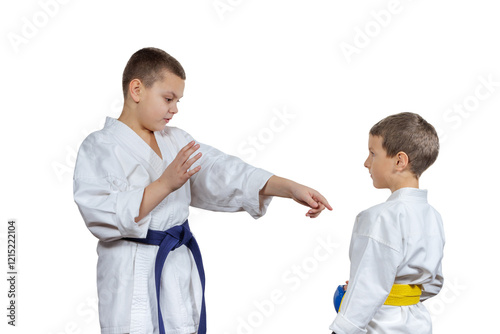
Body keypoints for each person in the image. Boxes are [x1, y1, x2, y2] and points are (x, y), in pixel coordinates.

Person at [73, 47, 332, 334]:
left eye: (178, 100)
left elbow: (224, 172)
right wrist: (165, 183)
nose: (175, 109)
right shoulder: (100, 147)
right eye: (168, 99)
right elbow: (99, 213)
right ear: (137, 90)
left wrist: (289, 187)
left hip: (177, 265)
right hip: (131, 274)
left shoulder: (176, 140)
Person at [329, 112, 445, 334]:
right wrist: (399, 293)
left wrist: (342, 328)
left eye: (373, 153)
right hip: (417, 322)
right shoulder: (433, 217)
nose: (366, 162)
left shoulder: (378, 217)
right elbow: (434, 283)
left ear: (399, 161)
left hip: (380, 326)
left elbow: (368, 288)